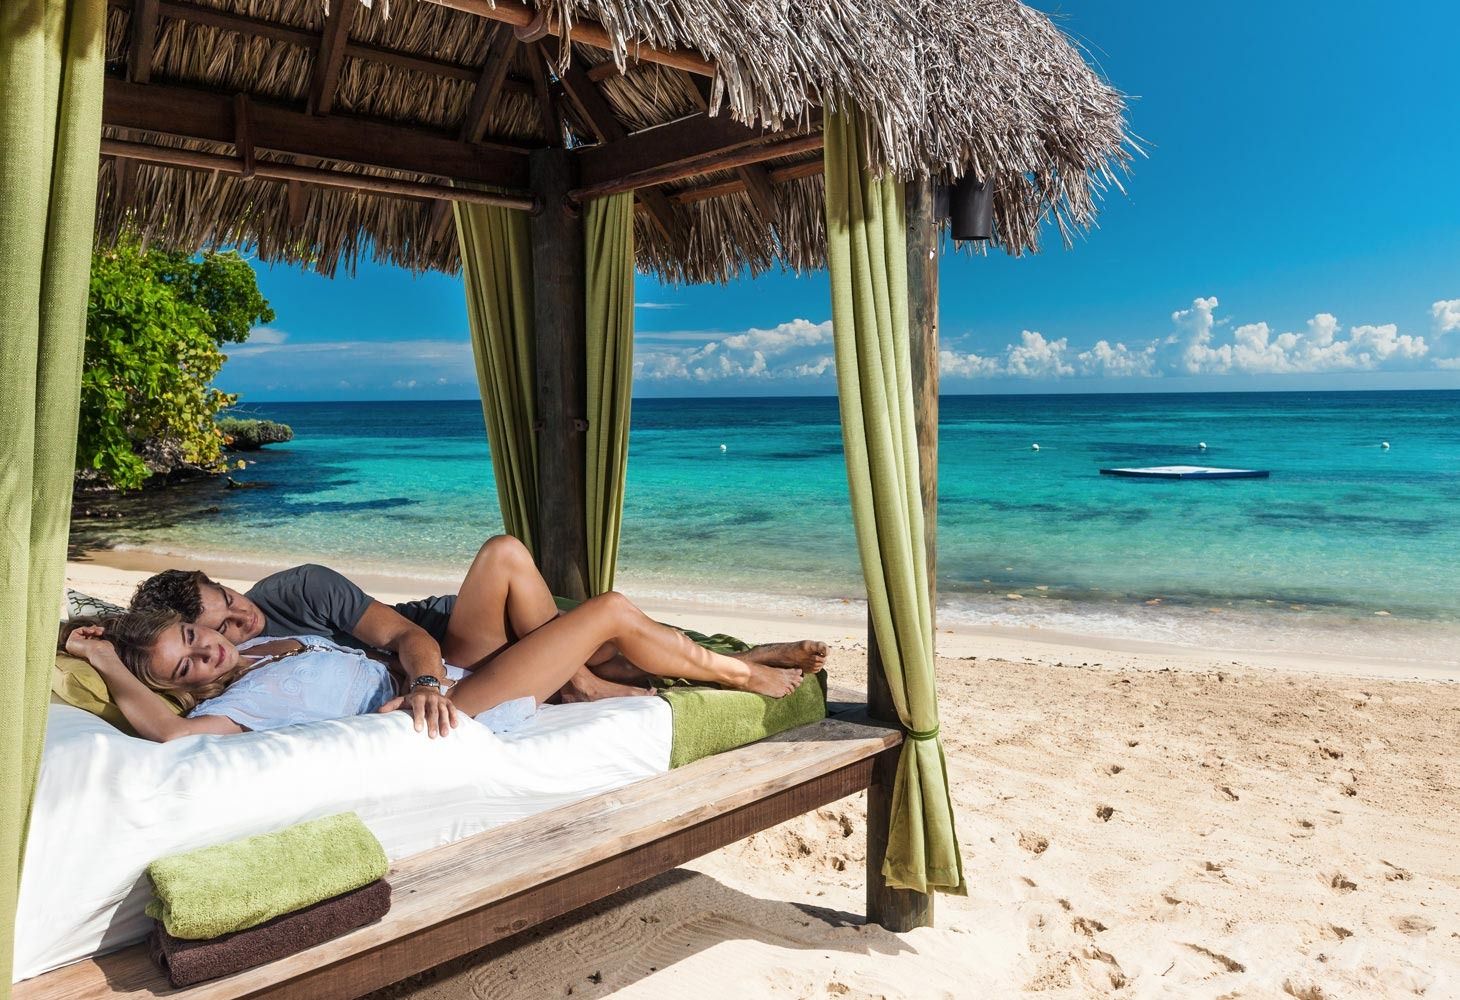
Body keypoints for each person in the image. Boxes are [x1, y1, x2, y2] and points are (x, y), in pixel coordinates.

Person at [130, 535, 827, 737]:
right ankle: (742, 670)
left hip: (440, 643)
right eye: (211, 632)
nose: (232, 625)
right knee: (607, 628)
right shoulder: (237, 675)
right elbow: (171, 705)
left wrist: (427, 681)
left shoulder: (292, 591)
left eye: (222, 604)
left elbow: (406, 639)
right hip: (457, 680)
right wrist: (105, 646)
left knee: (509, 557)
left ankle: (592, 676)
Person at [61, 590, 814, 743]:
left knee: (601, 637)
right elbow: (171, 737)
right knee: (607, 613)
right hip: (470, 703)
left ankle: (734, 658)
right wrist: (104, 660)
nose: (207, 648)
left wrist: (105, 630)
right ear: (172, 685)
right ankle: (744, 677)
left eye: (194, 632)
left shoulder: (255, 650)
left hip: (448, 678)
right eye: (186, 663)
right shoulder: (234, 708)